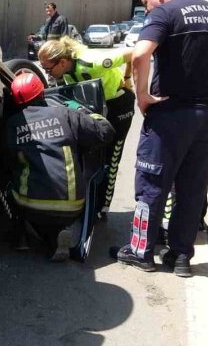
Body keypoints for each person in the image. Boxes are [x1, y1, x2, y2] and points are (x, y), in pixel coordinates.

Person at [113, 0, 208, 277]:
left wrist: (142, 95)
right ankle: (180, 257)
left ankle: (141, 251)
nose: (146, 9)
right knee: (192, 187)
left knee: (151, 184)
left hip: (170, 116)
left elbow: (141, 54)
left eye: (145, 2)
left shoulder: (165, 13)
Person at [5, 73, 115, 260]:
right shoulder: (65, 114)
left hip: (30, 207)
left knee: (8, 182)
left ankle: (22, 234)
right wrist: (83, 111)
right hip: (72, 206)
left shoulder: (13, 123)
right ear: (42, 93)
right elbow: (106, 132)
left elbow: (7, 161)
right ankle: (55, 235)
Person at [38, 37, 136, 218]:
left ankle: (103, 206)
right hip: (95, 105)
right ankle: (88, 201)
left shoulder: (93, 62)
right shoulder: (64, 71)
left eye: (48, 69)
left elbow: (135, 52)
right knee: (87, 155)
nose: (47, 73)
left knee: (111, 158)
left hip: (118, 105)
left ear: (63, 62)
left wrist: (128, 77)